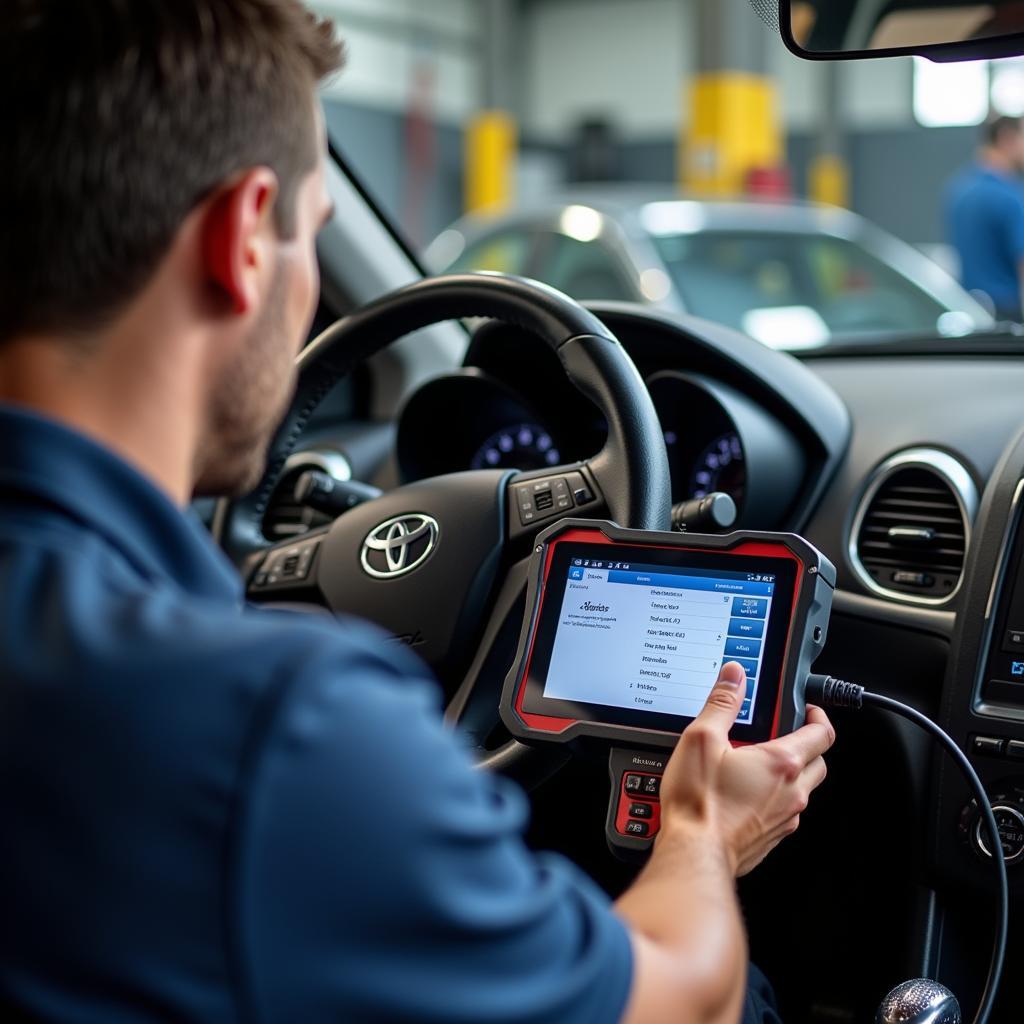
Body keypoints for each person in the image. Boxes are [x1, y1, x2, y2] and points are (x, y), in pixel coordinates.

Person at [0, 2, 834, 1022]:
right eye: (310, 237)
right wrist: (701, 833)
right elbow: (678, 999)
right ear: (240, 240)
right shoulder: (283, 726)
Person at [946, 115, 1024, 320]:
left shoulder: (958, 189)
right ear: (1007, 138)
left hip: (970, 312)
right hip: (1008, 316)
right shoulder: (1010, 197)